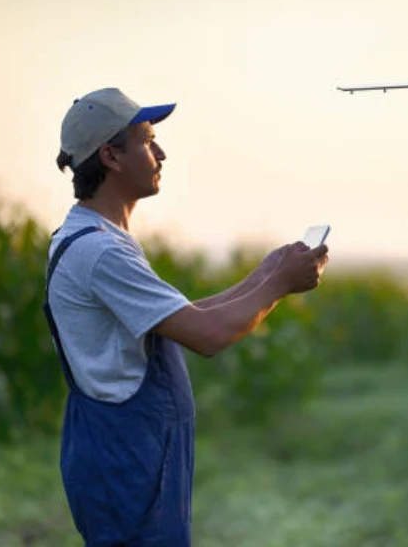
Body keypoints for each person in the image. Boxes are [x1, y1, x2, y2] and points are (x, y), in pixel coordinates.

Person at [43, 87, 329, 546]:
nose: (161, 152)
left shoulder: (98, 238)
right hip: (125, 457)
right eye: (147, 140)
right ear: (112, 157)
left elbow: (186, 316)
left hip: (129, 451)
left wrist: (267, 272)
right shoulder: (100, 251)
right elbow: (208, 334)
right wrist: (280, 285)